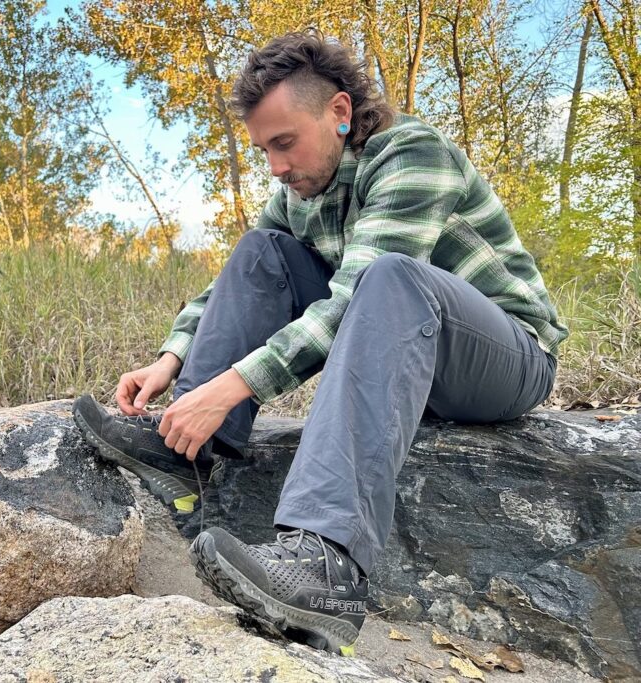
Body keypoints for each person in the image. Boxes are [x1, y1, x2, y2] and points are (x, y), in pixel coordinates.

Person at [73, 28, 567, 656]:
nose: (276, 167)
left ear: (338, 112)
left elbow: (361, 292)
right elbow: (237, 278)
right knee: (262, 250)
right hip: (403, 355)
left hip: (505, 359)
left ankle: (327, 567)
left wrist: (234, 386)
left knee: (389, 276)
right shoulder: (298, 190)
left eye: (285, 143)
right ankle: (182, 444)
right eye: (264, 151)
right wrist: (173, 363)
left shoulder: (413, 154)